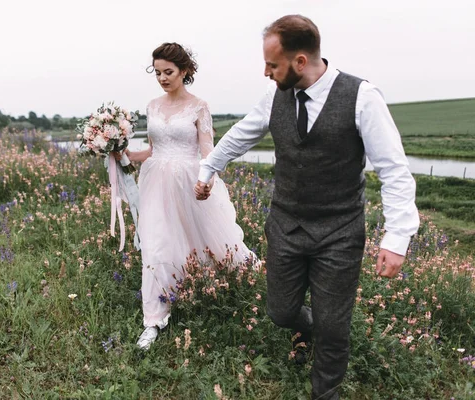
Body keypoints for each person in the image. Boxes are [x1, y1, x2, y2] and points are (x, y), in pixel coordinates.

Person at [194, 15, 419, 400]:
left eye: (273, 64)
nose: (265, 72)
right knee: (280, 312)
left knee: (334, 326)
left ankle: (324, 391)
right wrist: (208, 168)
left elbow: (394, 170)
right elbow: (241, 134)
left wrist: (397, 236)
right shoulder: (274, 97)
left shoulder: (362, 97)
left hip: (339, 232)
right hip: (285, 226)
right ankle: (310, 328)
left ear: (300, 61)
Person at [125, 43, 255, 350]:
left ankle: (214, 291)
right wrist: (127, 154)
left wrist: (206, 180)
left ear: (184, 71)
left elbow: (207, 151)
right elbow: (153, 149)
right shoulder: (153, 106)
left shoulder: (199, 106)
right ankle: (153, 320)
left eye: (168, 72)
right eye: (157, 72)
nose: (162, 78)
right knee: (157, 243)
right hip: (155, 181)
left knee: (201, 241)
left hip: (188, 181)